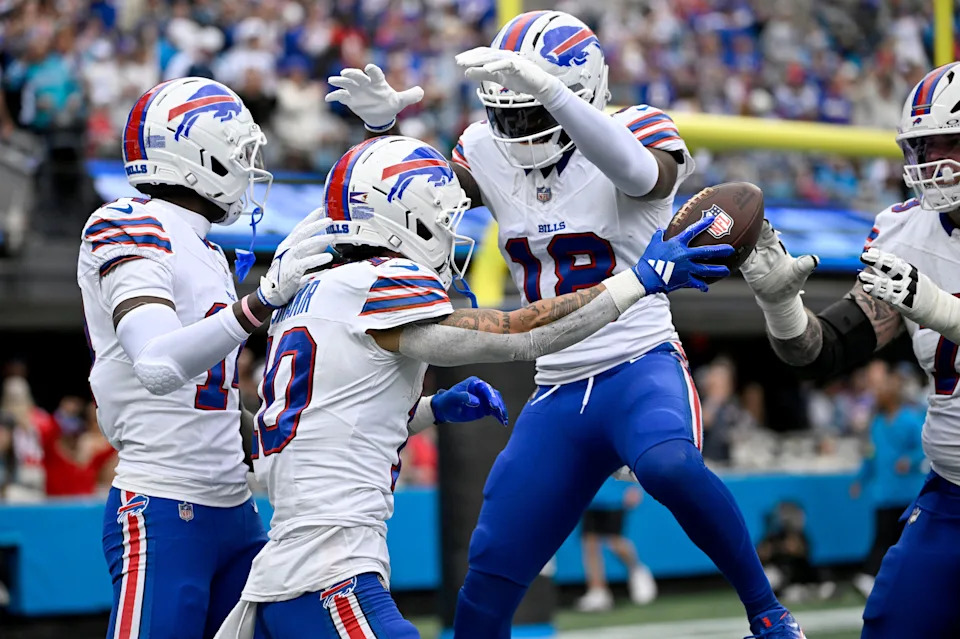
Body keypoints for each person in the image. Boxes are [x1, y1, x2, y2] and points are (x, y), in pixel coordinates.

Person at [326, 11, 803, 639]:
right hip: (556, 381)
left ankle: (769, 615)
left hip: (638, 360)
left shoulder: (638, 130)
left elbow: (639, 174)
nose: (516, 130)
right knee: (491, 567)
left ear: (578, 92)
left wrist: (549, 91)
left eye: (531, 111)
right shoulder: (484, 147)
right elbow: (422, 195)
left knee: (669, 465)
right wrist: (384, 130)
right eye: (506, 114)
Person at [213, 134, 732, 639]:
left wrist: (431, 408)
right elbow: (522, 334)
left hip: (286, 571)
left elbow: (327, 418)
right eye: (442, 218)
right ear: (409, 219)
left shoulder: (306, 294)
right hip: (329, 571)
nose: (449, 231)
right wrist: (638, 279)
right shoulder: (376, 283)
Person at [77, 77, 334, 639]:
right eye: (240, 152)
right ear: (198, 157)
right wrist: (260, 303)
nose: (249, 167)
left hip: (236, 510)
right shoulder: (128, 223)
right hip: (165, 503)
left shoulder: (208, 249)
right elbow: (157, 364)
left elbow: (210, 402)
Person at [739, 62, 960, 638]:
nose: (934, 162)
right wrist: (782, 307)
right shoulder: (906, 232)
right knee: (893, 625)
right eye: (925, 147)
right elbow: (825, 352)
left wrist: (939, 309)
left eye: (950, 145)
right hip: (952, 495)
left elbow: (937, 311)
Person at [849, 366, 925, 599]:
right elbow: (871, 456)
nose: (878, 394)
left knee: (907, 540)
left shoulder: (910, 420)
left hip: (907, 493)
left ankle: (905, 581)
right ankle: (871, 576)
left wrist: (909, 460)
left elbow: (924, 446)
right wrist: (860, 480)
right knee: (883, 537)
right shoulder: (877, 424)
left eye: (882, 390)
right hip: (884, 493)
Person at [576, 481, 656, 612]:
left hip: (615, 498)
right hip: (590, 498)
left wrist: (635, 487)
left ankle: (637, 569)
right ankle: (598, 591)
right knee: (590, 545)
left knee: (615, 543)